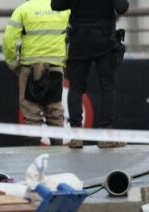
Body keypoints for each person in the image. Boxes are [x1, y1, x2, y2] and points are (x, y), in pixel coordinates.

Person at [51, 0, 128, 149]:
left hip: (79, 40)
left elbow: (56, 5)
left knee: (76, 87)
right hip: (104, 39)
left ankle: (76, 136)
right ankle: (105, 136)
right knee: (107, 87)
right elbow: (122, 7)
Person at [2, 0, 70, 144]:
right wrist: (65, 60)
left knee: (31, 115)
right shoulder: (64, 9)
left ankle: (32, 159)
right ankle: (58, 159)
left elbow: (8, 40)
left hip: (30, 69)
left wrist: (14, 64)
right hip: (55, 67)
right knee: (55, 114)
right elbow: (74, 35)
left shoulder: (24, 10)